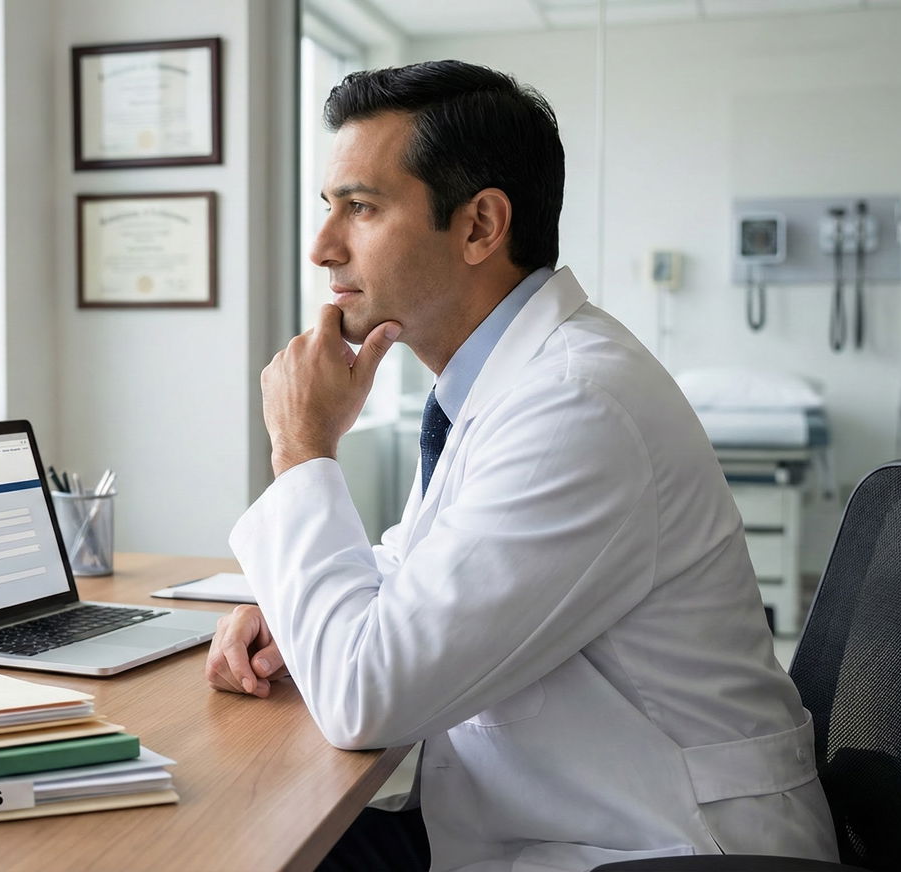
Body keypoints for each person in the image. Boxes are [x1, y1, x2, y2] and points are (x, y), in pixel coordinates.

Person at [204, 60, 838, 871]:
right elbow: (422, 567)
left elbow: (366, 696)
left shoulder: (577, 407)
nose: (324, 247)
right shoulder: (499, 380)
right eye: (329, 208)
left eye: (360, 208)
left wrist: (302, 450)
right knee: (256, 836)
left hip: (655, 846)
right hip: (540, 816)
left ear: (479, 227)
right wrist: (291, 618)